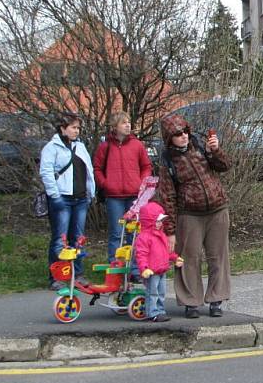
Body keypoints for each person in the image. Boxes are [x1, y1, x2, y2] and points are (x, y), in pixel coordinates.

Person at [156, 114, 231, 318]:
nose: (183, 136)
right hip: (189, 214)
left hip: (217, 209)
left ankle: (216, 300)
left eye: (185, 132)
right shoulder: (168, 161)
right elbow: (167, 197)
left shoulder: (200, 147)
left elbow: (224, 166)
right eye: (177, 134)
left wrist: (215, 151)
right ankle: (191, 302)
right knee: (189, 258)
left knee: (218, 257)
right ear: (168, 138)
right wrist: (170, 230)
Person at [39, 112, 95, 289]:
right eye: (73, 127)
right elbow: (46, 172)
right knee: (59, 239)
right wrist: (54, 196)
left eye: (78, 128)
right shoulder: (51, 148)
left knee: (77, 239)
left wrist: (90, 193)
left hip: (80, 198)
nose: (76, 131)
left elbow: (89, 171)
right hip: (62, 197)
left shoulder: (80, 146)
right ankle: (56, 276)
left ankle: (77, 274)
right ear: (63, 128)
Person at [93, 112, 153, 264]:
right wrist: (105, 184)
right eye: (124, 123)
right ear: (115, 127)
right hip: (114, 197)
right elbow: (97, 168)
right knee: (116, 233)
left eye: (129, 122)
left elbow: (146, 166)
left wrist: (142, 183)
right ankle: (116, 267)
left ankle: (135, 269)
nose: (128, 125)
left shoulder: (137, 145)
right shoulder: (105, 146)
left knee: (134, 233)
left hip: (134, 196)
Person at [135, 201, 183, 322]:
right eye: (157, 221)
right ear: (149, 221)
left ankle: (160, 311)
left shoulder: (161, 235)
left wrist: (174, 258)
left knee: (161, 292)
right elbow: (141, 254)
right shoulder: (144, 237)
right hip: (152, 271)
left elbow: (166, 251)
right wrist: (144, 268)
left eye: (161, 221)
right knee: (153, 292)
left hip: (162, 269)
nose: (160, 223)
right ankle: (152, 312)